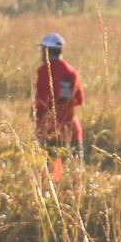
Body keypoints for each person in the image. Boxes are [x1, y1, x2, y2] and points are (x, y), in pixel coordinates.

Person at [33, 32, 86, 160]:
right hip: (72, 132)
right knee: (73, 176)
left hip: (49, 133)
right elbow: (79, 100)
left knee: (52, 176)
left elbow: (41, 103)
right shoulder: (71, 72)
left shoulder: (44, 71)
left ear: (46, 50)